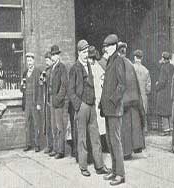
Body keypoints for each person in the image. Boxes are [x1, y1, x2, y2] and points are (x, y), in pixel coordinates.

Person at [69, 40, 110, 177]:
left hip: (92, 105)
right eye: (84, 52)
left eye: (87, 52)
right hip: (82, 106)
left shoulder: (89, 66)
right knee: (82, 138)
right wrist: (78, 105)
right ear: (79, 53)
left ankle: (99, 166)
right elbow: (71, 91)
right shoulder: (75, 68)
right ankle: (83, 166)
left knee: (95, 136)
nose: (86, 55)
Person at [99, 34, 125, 185]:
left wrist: (112, 101)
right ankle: (114, 171)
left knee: (115, 141)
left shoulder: (118, 61)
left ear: (114, 46)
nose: (106, 49)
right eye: (105, 47)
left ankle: (120, 174)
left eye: (108, 46)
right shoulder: (110, 61)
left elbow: (122, 85)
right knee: (110, 141)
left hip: (114, 109)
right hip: (108, 109)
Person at [118, 42, 146, 160]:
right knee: (131, 126)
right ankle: (130, 150)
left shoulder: (118, 63)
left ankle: (125, 152)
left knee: (124, 127)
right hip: (133, 100)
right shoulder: (130, 64)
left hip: (123, 101)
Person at [48, 45, 69, 159]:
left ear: (58, 55)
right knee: (53, 126)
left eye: (55, 54)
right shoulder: (52, 68)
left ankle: (61, 151)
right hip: (52, 100)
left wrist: (58, 98)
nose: (53, 56)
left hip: (58, 101)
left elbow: (64, 85)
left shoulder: (62, 67)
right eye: (52, 54)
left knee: (60, 126)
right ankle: (55, 149)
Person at [20, 52, 43, 152]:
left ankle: (37, 144)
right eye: (27, 60)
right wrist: (22, 85)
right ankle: (28, 144)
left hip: (34, 101)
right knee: (27, 123)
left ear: (34, 61)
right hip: (27, 101)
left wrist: (39, 103)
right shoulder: (25, 73)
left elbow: (41, 88)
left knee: (36, 123)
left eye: (30, 60)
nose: (29, 62)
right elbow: (22, 89)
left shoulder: (38, 72)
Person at [156, 52, 174, 136]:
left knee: (163, 111)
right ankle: (171, 129)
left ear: (164, 59)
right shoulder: (172, 67)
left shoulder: (163, 67)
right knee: (170, 111)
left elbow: (162, 81)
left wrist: (157, 85)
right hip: (170, 91)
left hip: (164, 92)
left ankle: (166, 130)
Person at [133, 49, 151, 132]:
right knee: (143, 114)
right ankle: (144, 129)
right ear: (142, 58)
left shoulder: (131, 68)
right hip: (143, 97)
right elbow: (148, 88)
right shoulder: (146, 71)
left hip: (133, 96)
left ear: (134, 57)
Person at [42, 51, 54, 154]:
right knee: (47, 124)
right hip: (46, 101)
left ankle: (53, 146)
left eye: (47, 60)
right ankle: (49, 145)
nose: (46, 62)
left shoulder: (52, 70)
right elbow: (41, 83)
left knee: (52, 124)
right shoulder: (46, 70)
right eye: (45, 60)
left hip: (51, 101)